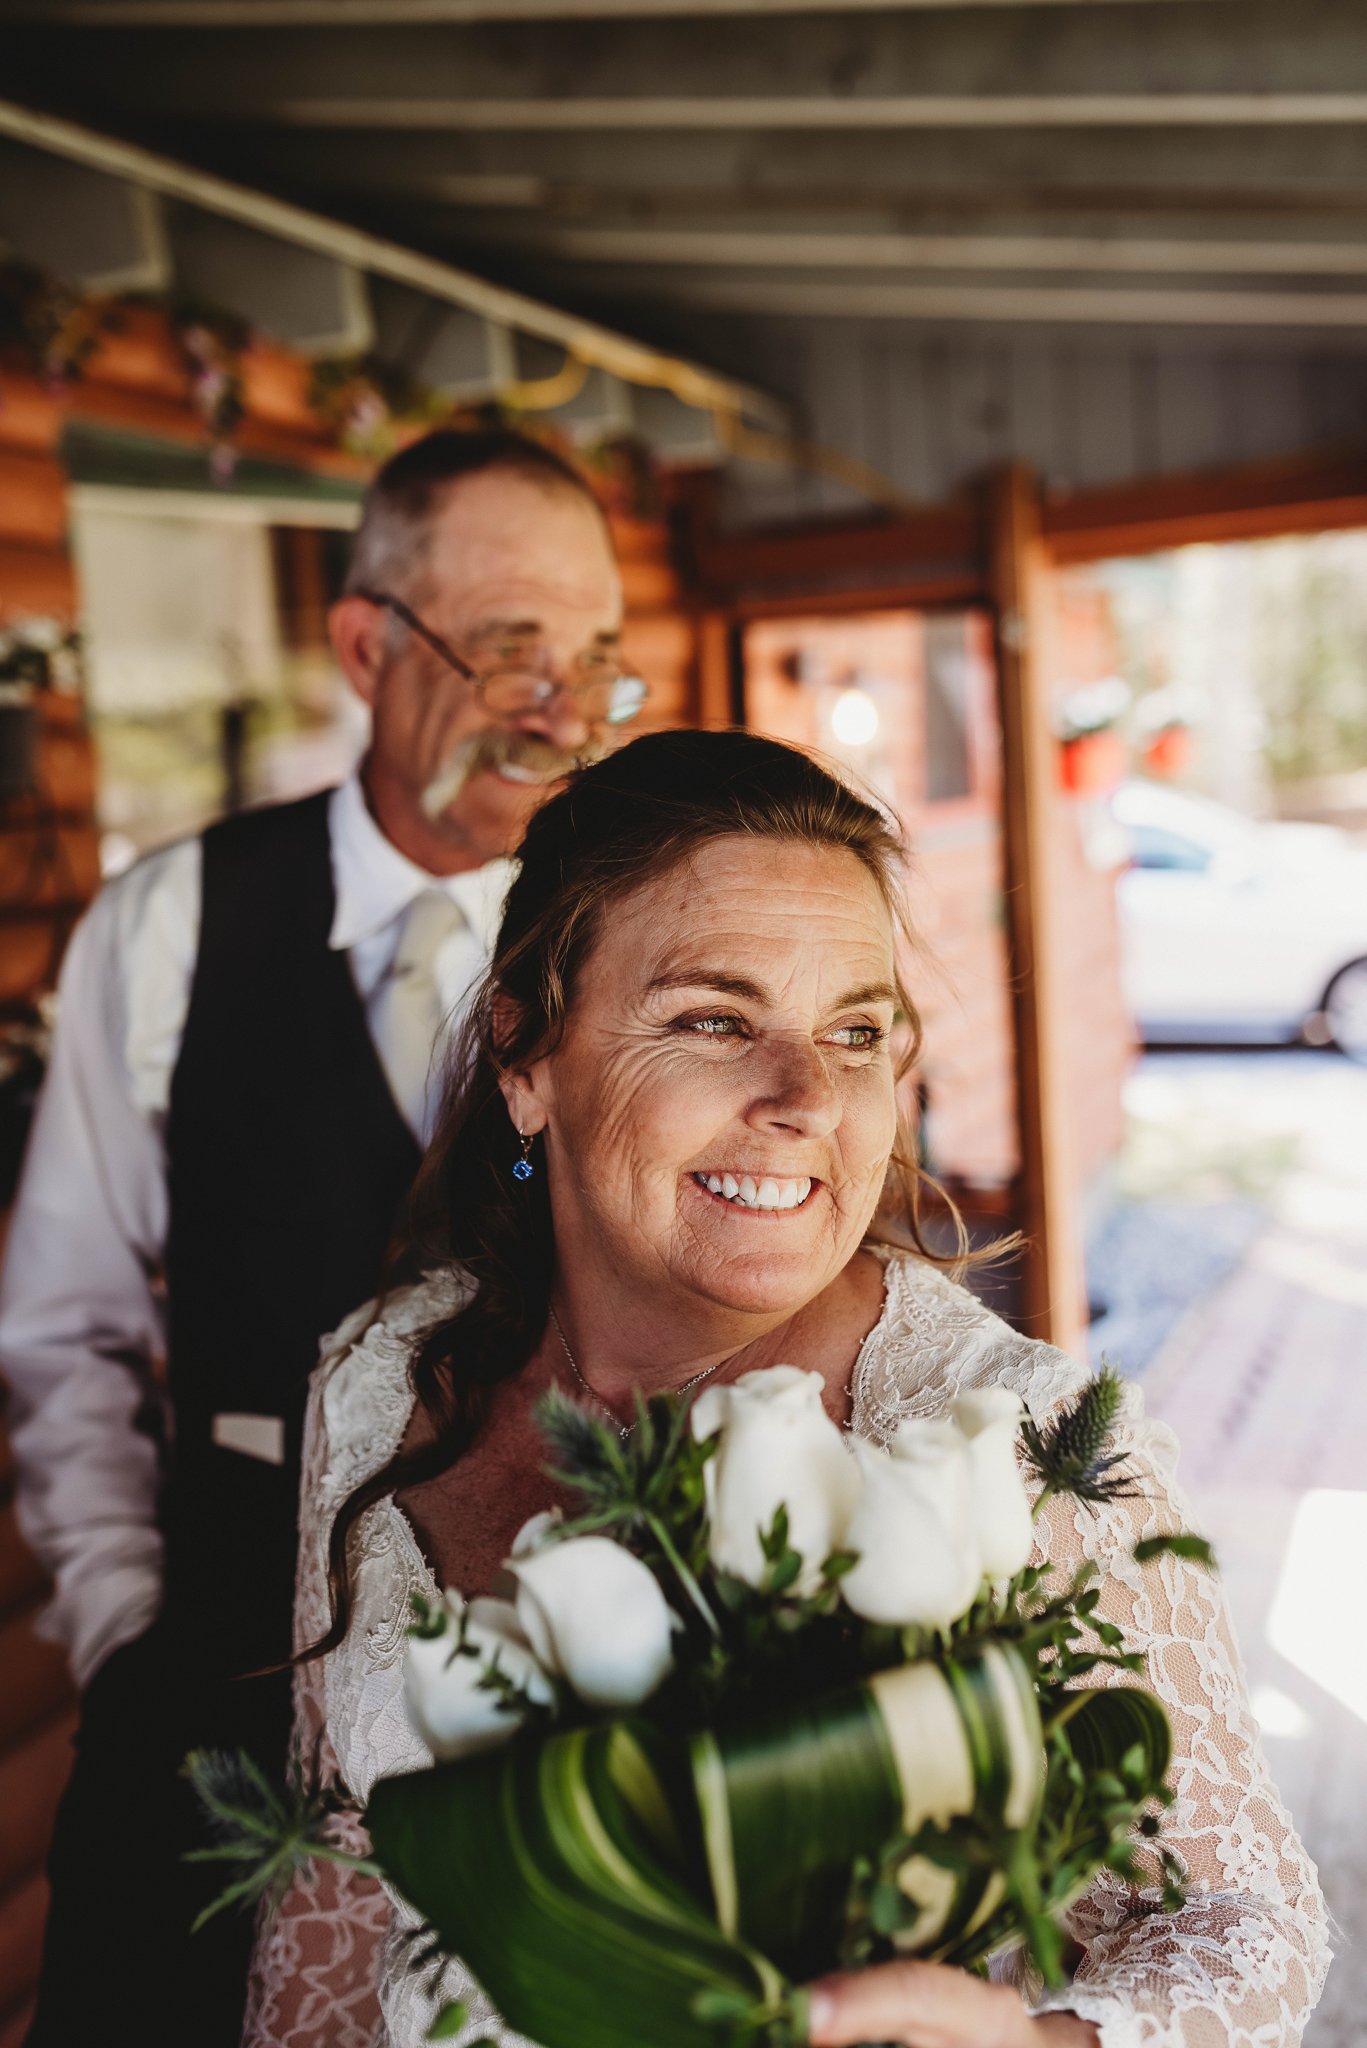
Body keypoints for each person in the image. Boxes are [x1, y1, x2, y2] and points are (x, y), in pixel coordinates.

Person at [246, 730, 1328, 2048]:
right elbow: (332, 1889)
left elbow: (1249, 1922)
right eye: (714, 1018)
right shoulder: (375, 1383)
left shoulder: (1009, 1443)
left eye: (857, 1031)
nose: (809, 1097)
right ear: (527, 1057)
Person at [0, 425, 644, 2045]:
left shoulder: (637, 935)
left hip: (574, 1696)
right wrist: (125, 1624)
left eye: (595, 655)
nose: (562, 703)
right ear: (367, 643)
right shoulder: (167, 927)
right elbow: (62, 1326)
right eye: (512, 647)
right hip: (214, 1693)